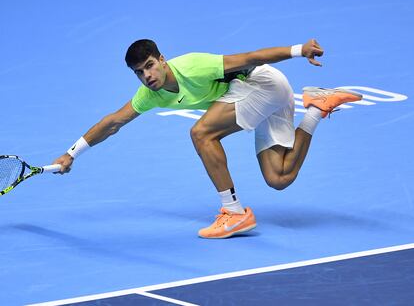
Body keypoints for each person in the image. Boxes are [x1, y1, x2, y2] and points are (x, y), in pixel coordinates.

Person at [53, 38, 362, 239]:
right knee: (279, 177)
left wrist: (298, 50)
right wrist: (72, 153)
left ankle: (234, 212)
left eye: (149, 66)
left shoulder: (192, 66)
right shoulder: (151, 94)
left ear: (162, 59)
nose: (147, 76)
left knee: (201, 133)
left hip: (263, 84)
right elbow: (113, 122)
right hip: (266, 97)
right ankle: (318, 108)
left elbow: (251, 56)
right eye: (139, 72)